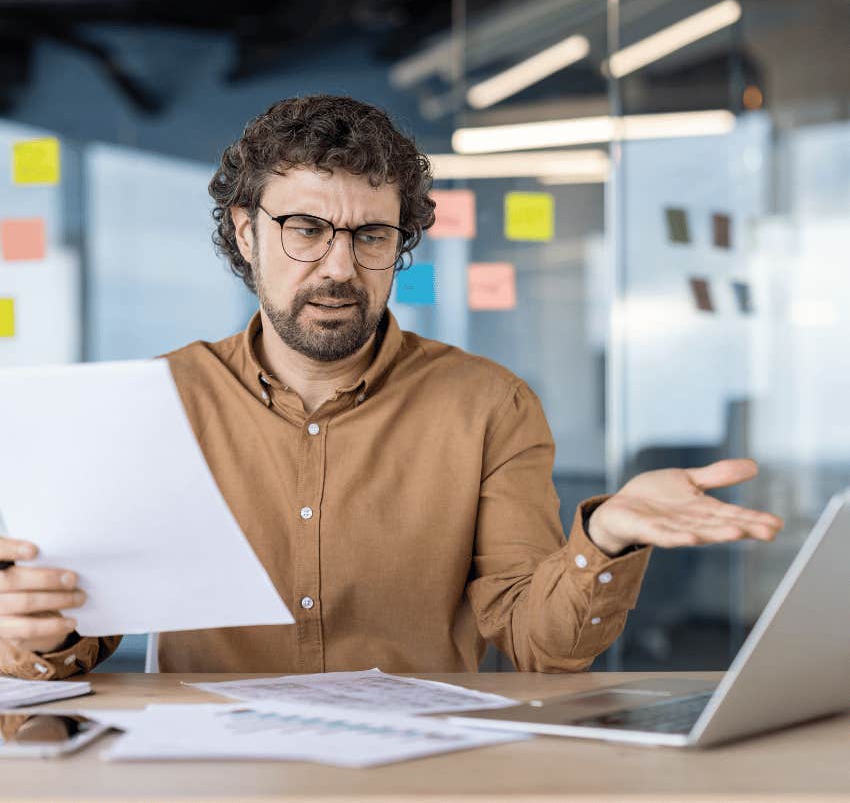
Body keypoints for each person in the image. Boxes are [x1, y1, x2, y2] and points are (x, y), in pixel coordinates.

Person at [0, 95, 783, 680]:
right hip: (212, 778)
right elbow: (73, 643)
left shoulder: (490, 406)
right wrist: (32, 628)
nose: (340, 268)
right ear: (247, 231)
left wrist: (609, 535)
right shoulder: (153, 403)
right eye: (306, 229)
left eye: (371, 236)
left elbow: (542, 644)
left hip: (419, 781)